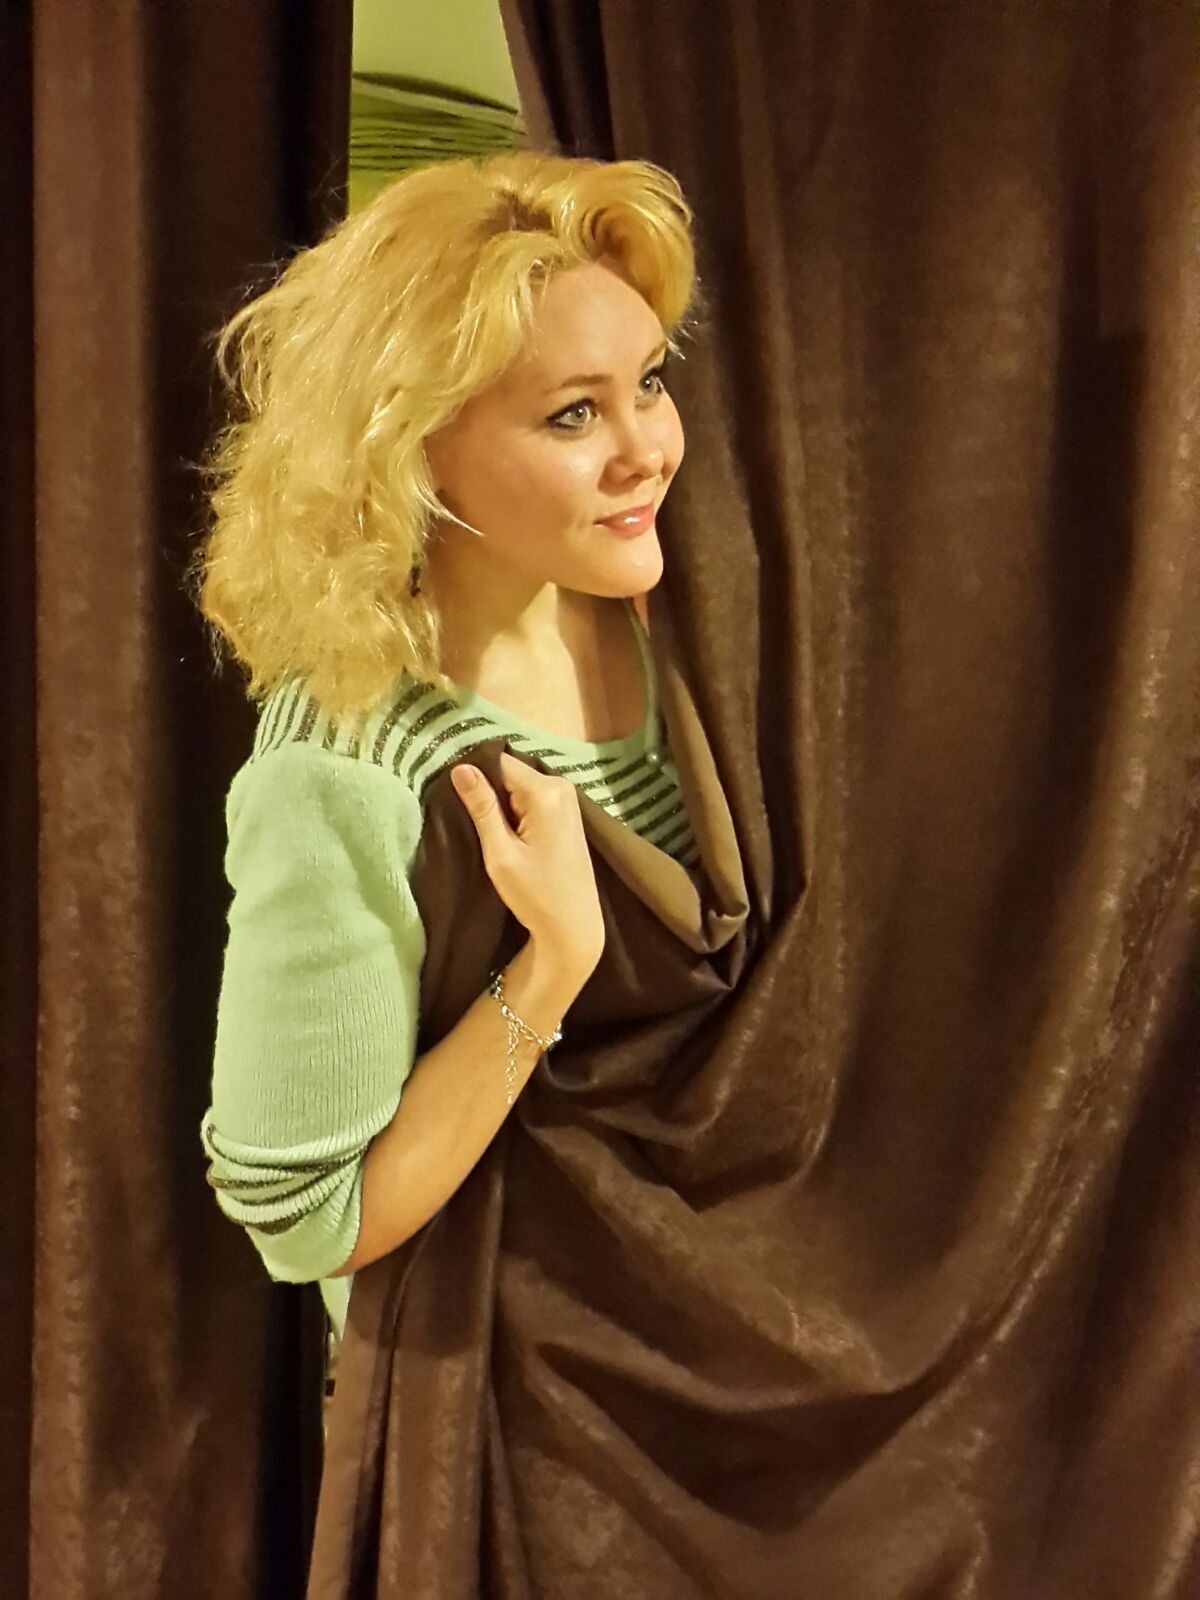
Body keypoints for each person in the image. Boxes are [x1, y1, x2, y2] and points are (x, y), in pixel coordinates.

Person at [191, 150, 709, 1348]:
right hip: (520, 1391)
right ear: (410, 446)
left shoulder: (684, 627)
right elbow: (302, 1219)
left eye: (649, 382)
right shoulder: (347, 762)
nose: (645, 449)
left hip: (715, 1330)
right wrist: (550, 968)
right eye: (574, 413)